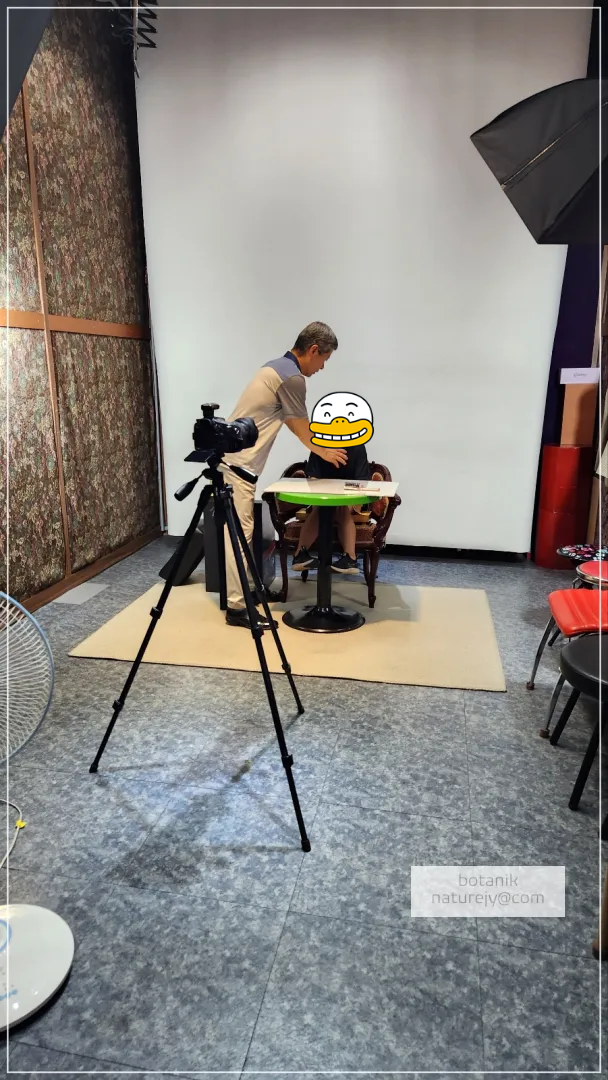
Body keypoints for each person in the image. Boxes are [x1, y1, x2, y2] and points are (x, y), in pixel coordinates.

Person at [221, 322, 346, 629]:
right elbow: (302, 430)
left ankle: (251, 591)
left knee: (244, 532)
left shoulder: (275, 367)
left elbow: (292, 422)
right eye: (324, 359)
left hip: (237, 463)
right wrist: (327, 452)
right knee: (238, 536)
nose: (322, 367)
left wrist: (319, 445)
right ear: (313, 350)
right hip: (237, 466)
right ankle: (237, 607)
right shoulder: (292, 377)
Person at [292, 441, 370, 575]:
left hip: (351, 498)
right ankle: (300, 555)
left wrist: (342, 493)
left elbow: (362, 482)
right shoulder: (319, 446)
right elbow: (312, 477)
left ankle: (350, 558)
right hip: (322, 497)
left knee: (341, 506)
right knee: (321, 508)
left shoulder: (357, 447)